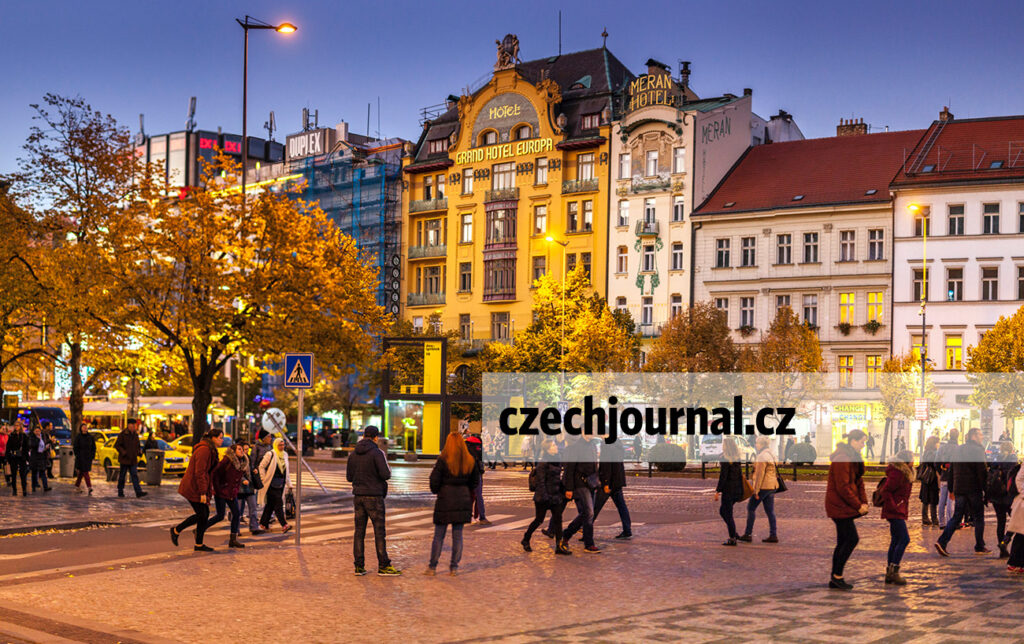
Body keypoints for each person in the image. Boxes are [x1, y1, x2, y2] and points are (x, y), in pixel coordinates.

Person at [346, 426, 400, 576]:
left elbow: (349, 477)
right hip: (374, 496)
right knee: (379, 532)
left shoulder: (353, 454)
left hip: (358, 496)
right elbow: (386, 474)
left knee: (359, 532)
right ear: (376, 437)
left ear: (363, 436)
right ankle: (383, 565)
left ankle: (359, 566)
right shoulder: (377, 453)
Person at [426, 432, 480, 576]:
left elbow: (434, 481)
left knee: (439, 535)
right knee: (458, 535)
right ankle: (454, 567)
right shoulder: (470, 460)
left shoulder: (443, 460)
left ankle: (432, 567)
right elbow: (475, 482)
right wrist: (466, 490)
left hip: (445, 499)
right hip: (463, 499)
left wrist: (439, 490)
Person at [935, 427, 989, 557]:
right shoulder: (978, 450)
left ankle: (942, 541)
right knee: (978, 517)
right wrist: (986, 491)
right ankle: (980, 546)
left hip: (959, 488)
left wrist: (952, 488)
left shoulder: (959, 449)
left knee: (957, 516)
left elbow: (952, 469)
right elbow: (981, 472)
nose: (982, 437)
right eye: (980, 435)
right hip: (973, 488)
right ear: (973, 436)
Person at [826, 429, 869, 590]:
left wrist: (863, 502)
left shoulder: (853, 457)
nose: (863, 445)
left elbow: (858, 482)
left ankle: (836, 577)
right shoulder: (843, 458)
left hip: (844, 505)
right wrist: (858, 505)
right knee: (851, 539)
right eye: (862, 442)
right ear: (853, 441)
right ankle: (837, 576)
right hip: (838, 505)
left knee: (843, 540)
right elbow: (843, 486)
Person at [171, 428, 223, 552]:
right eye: (220, 437)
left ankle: (198, 544)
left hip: (197, 486)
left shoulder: (210, 449)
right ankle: (176, 530)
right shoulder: (204, 450)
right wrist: (203, 492)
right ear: (213, 438)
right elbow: (200, 472)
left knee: (203, 515)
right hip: (193, 486)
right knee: (202, 514)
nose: (222, 440)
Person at [522, 439, 571, 555]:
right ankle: (526, 539)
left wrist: (561, 492)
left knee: (558, 520)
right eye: (553, 445)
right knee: (539, 520)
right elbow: (540, 482)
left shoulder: (557, 460)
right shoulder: (543, 463)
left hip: (555, 496)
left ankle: (559, 546)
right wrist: (545, 496)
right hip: (543, 497)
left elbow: (558, 479)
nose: (556, 447)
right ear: (548, 449)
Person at [877, 449, 914, 585]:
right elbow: (886, 490)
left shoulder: (904, 472)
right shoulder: (898, 473)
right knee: (904, 539)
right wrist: (895, 506)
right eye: (912, 458)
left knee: (896, 540)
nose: (914, 461)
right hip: (895, 511)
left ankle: (890, 573)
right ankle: (894, 571)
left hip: (898, 510)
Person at [560, 436, 601, 554]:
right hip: (579, 484)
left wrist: (596, 481)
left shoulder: (593, 445)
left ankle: (566, 534)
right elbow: (569, 468)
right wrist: (569, 488)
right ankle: (589, 543)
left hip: (590, 483)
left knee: (586, 513)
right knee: (589, 512)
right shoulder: (575, 447)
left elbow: (594, 465)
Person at [207, 441, 250, 548]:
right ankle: (199, 529)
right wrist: (217, 488)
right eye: (239, 449)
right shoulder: (227, 460)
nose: (242, 451)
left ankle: (233, 539)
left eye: (242, 449)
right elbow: (215, 473)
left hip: (232, 493)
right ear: (233, 451)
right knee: (220, 516)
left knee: (236, 514)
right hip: (221, 492)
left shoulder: (242, 463)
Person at [738, 436, 779, 543]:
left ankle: (748, 533)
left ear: (761, 444)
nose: (756, 445)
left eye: (757, 443)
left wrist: (756, 491)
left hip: (763, 487)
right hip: (772, 486)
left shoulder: (762, 456)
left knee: (751, 508)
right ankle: (773, 534)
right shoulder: (771, 454)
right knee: (770, 511)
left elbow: (760, 475)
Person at [595, 439, 632, 540]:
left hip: (609, 482)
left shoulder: (606, 445)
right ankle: (627, 529)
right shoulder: (618, 443)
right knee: (621, 506)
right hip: (617, 480)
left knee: (595, 506)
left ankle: (586, 531)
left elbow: (606, 465)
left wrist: (606, 482)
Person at [988, 441, 1018, 558]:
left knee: (1001, 522)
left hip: (996, 497)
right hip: (1009, 497)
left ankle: (1002, 547)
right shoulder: (1013, 461)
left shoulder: (996, 461)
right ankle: (1004, 542)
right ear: (1011, 449)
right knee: (1016, 521)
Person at [258, 438, 293, 534]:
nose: (282, 447)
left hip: (281, 484)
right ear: (275, 445)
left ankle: (263, 524)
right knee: (278, 504)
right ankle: (284, 525)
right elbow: (261, 466)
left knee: (270, 505)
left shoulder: (285, 455)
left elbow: (287, 471)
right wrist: (263, 479)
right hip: (271, 484)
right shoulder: (270, 454)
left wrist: (289, 484)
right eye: (280, 445)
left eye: (283, 445)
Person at [715, 437, 745, 546]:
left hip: (728, 490)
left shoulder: (725, 459)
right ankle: (734, 533)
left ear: (726, 447)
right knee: (724, 512)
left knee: (727, 513)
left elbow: (723, 477)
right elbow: (740, 476)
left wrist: (718, 491)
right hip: (736, 489)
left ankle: (732, 538)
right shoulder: (736, 458)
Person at [114, 419, 147, 498]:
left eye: (134, 425)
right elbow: (117, 445)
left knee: (134, 475)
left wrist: (139, 452)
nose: (133, 427)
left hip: (133, 459)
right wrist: (123, 452)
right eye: (132, 425)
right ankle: (120, 491)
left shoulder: (135, 435)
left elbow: (137, 445)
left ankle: (138, 492)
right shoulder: (123, 434)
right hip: (125, 459)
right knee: (122, 476)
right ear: (128, 425)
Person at [464, 431, 490, 525]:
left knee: (470, 495)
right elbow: (483, 460)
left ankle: (469, 516)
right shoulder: (478, 446)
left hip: (467, 473)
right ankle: (481, 517)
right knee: (479, 495)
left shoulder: (466, 445)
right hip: (477, 474)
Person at [238, 442, 263, 536]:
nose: (246, 451)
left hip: (250, 487)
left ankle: (254, 527)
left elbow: (251, 468)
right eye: (244, 449)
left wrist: (254, 470)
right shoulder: (238, 459)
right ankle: (236, 530)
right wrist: (243, 480)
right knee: (238, 510)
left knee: (253, 508)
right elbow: (237, 472)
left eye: (247, 449)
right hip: (240, 489)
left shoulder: (249, 458)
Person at [936, 428, 959, 528]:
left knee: (942, 500)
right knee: (951, 499)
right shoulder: (958, 448)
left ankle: (941, 522)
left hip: (944, 476)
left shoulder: (942, 448)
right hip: (954, 477)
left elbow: (936, 462)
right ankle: (950, 522)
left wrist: (941, 472)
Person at [1004, 464, 1024, 573]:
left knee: (1021, 535)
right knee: (1021, 534)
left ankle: (1017, 563)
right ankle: (1014, 563)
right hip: (1022, 504)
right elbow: (1019, 479)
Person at [917, 436, 941, 526]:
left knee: (926, 499)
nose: (938, 444)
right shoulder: (933, 453)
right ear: (933, 443)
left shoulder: (926, 452)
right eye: (937, 442)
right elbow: (934, 463)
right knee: (933, 499)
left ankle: (925, 518)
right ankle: (934, 519)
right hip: (931, 478)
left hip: (926, 478)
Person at [27, 424, 52, 493]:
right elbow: (32, 445)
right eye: (36, 431)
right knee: (34, 472)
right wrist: (38, 440)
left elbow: (45, 443)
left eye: (39, 431)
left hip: (42, 457)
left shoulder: (43, 437)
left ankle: (45, 487)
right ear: (34, 432)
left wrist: (49, 443)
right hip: (34, 457)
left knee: (43, 472)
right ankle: (33, 486)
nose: (38, 432)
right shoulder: (32, 437)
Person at [73, 423, 97, 494]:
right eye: (83, 427)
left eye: (86, 427)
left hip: (88, 457)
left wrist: (92, 455)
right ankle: (89, 487)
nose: (85, 428)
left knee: (81, 473)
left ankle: (77, 486)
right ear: (81, 428)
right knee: (85, 472)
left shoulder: (90, 437)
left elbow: (93, 447)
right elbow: (75, 447)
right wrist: (77, 454)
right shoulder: (78, 437)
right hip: (80, 457)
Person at [6, 419, 28, 496]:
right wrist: (7, 458)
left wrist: (27, 458)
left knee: (23, 474)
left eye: (18, 425)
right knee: (14, 474)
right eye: (15, 425)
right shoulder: (12, 435)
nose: (16, 427)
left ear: (20, 426)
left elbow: (26, 447)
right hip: (13, 457)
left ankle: (24, 489)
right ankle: (14, 490)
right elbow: (8, 447)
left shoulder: (24, 436)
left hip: (22, 457)